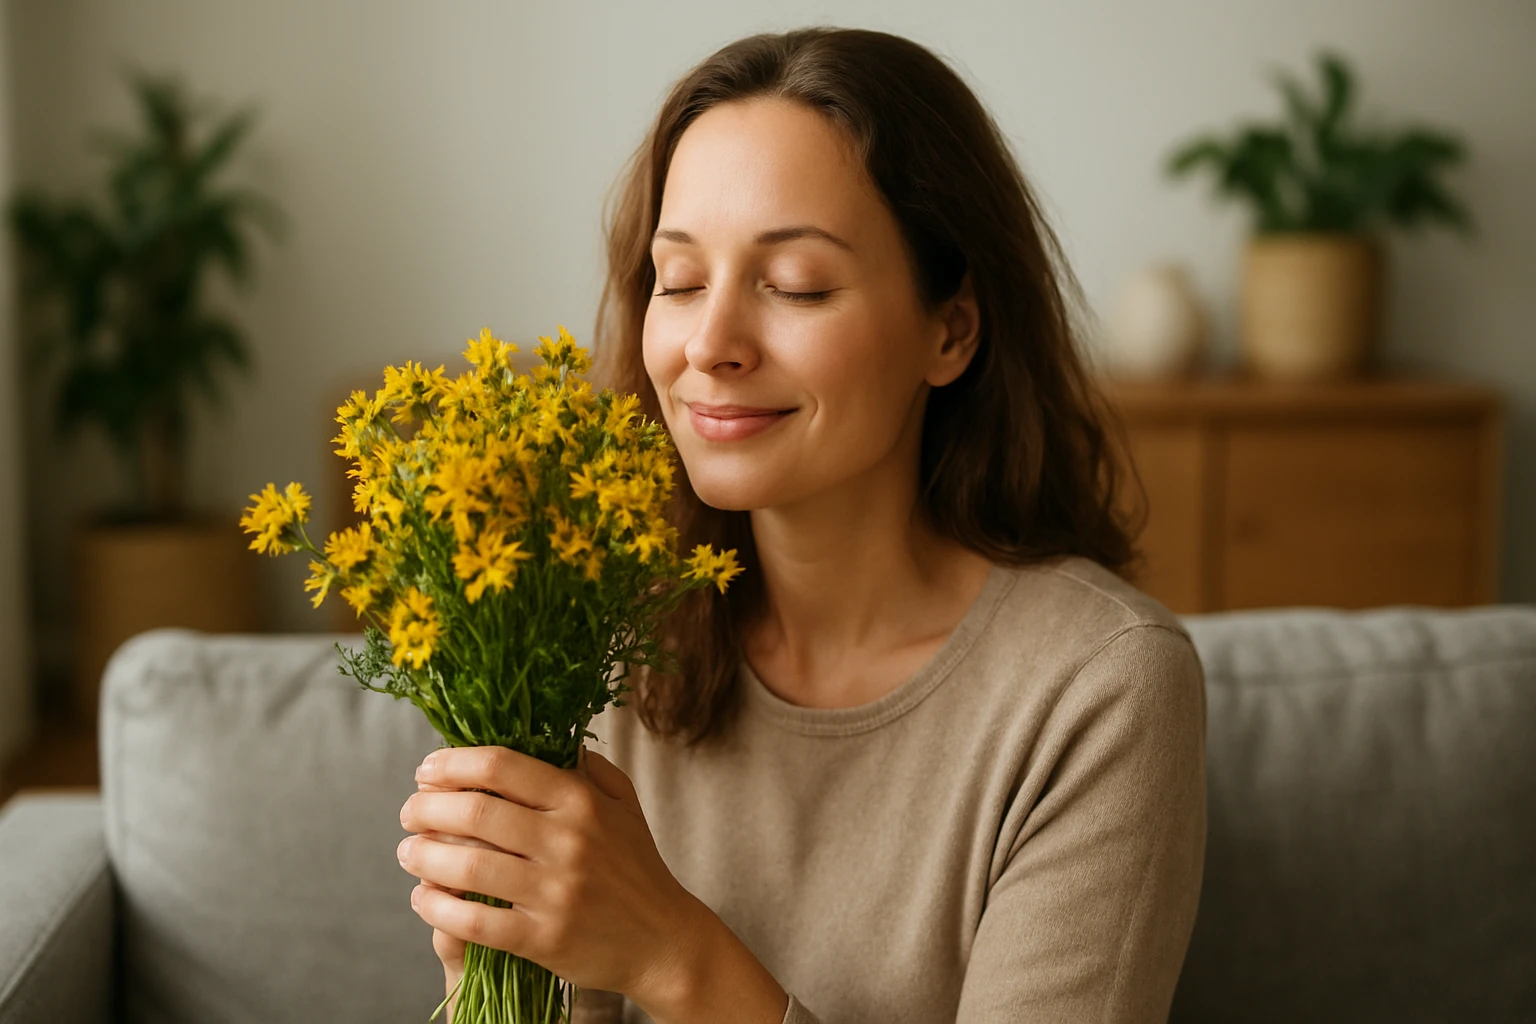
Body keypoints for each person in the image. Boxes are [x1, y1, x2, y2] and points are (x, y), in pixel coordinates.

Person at [395, 26, 1207, 1024]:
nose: (711, 343)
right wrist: (497, 973)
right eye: (680, 281)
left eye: (796, 286)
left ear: (950, 328)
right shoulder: (597, 642)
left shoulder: (1099, 687)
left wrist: (677, 956)